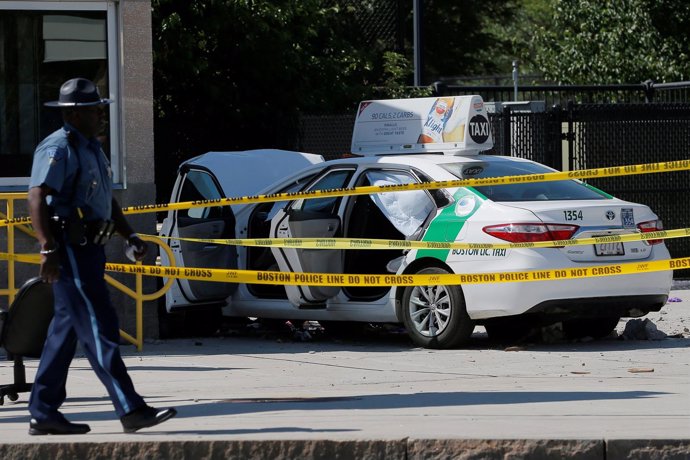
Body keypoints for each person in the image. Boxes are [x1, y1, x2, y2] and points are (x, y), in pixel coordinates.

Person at [26, 78, 176, 435]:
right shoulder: (59, 148)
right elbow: (35, 197)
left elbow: (105, 198)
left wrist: (131, 234)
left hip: (90, 250)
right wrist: (47, 247)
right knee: (100, 328)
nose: (101, 115)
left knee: (64, 333)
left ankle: (43, 410)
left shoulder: (92, 148)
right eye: (95, 110)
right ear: (76, 115)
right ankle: (130, 408)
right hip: (70, 251)